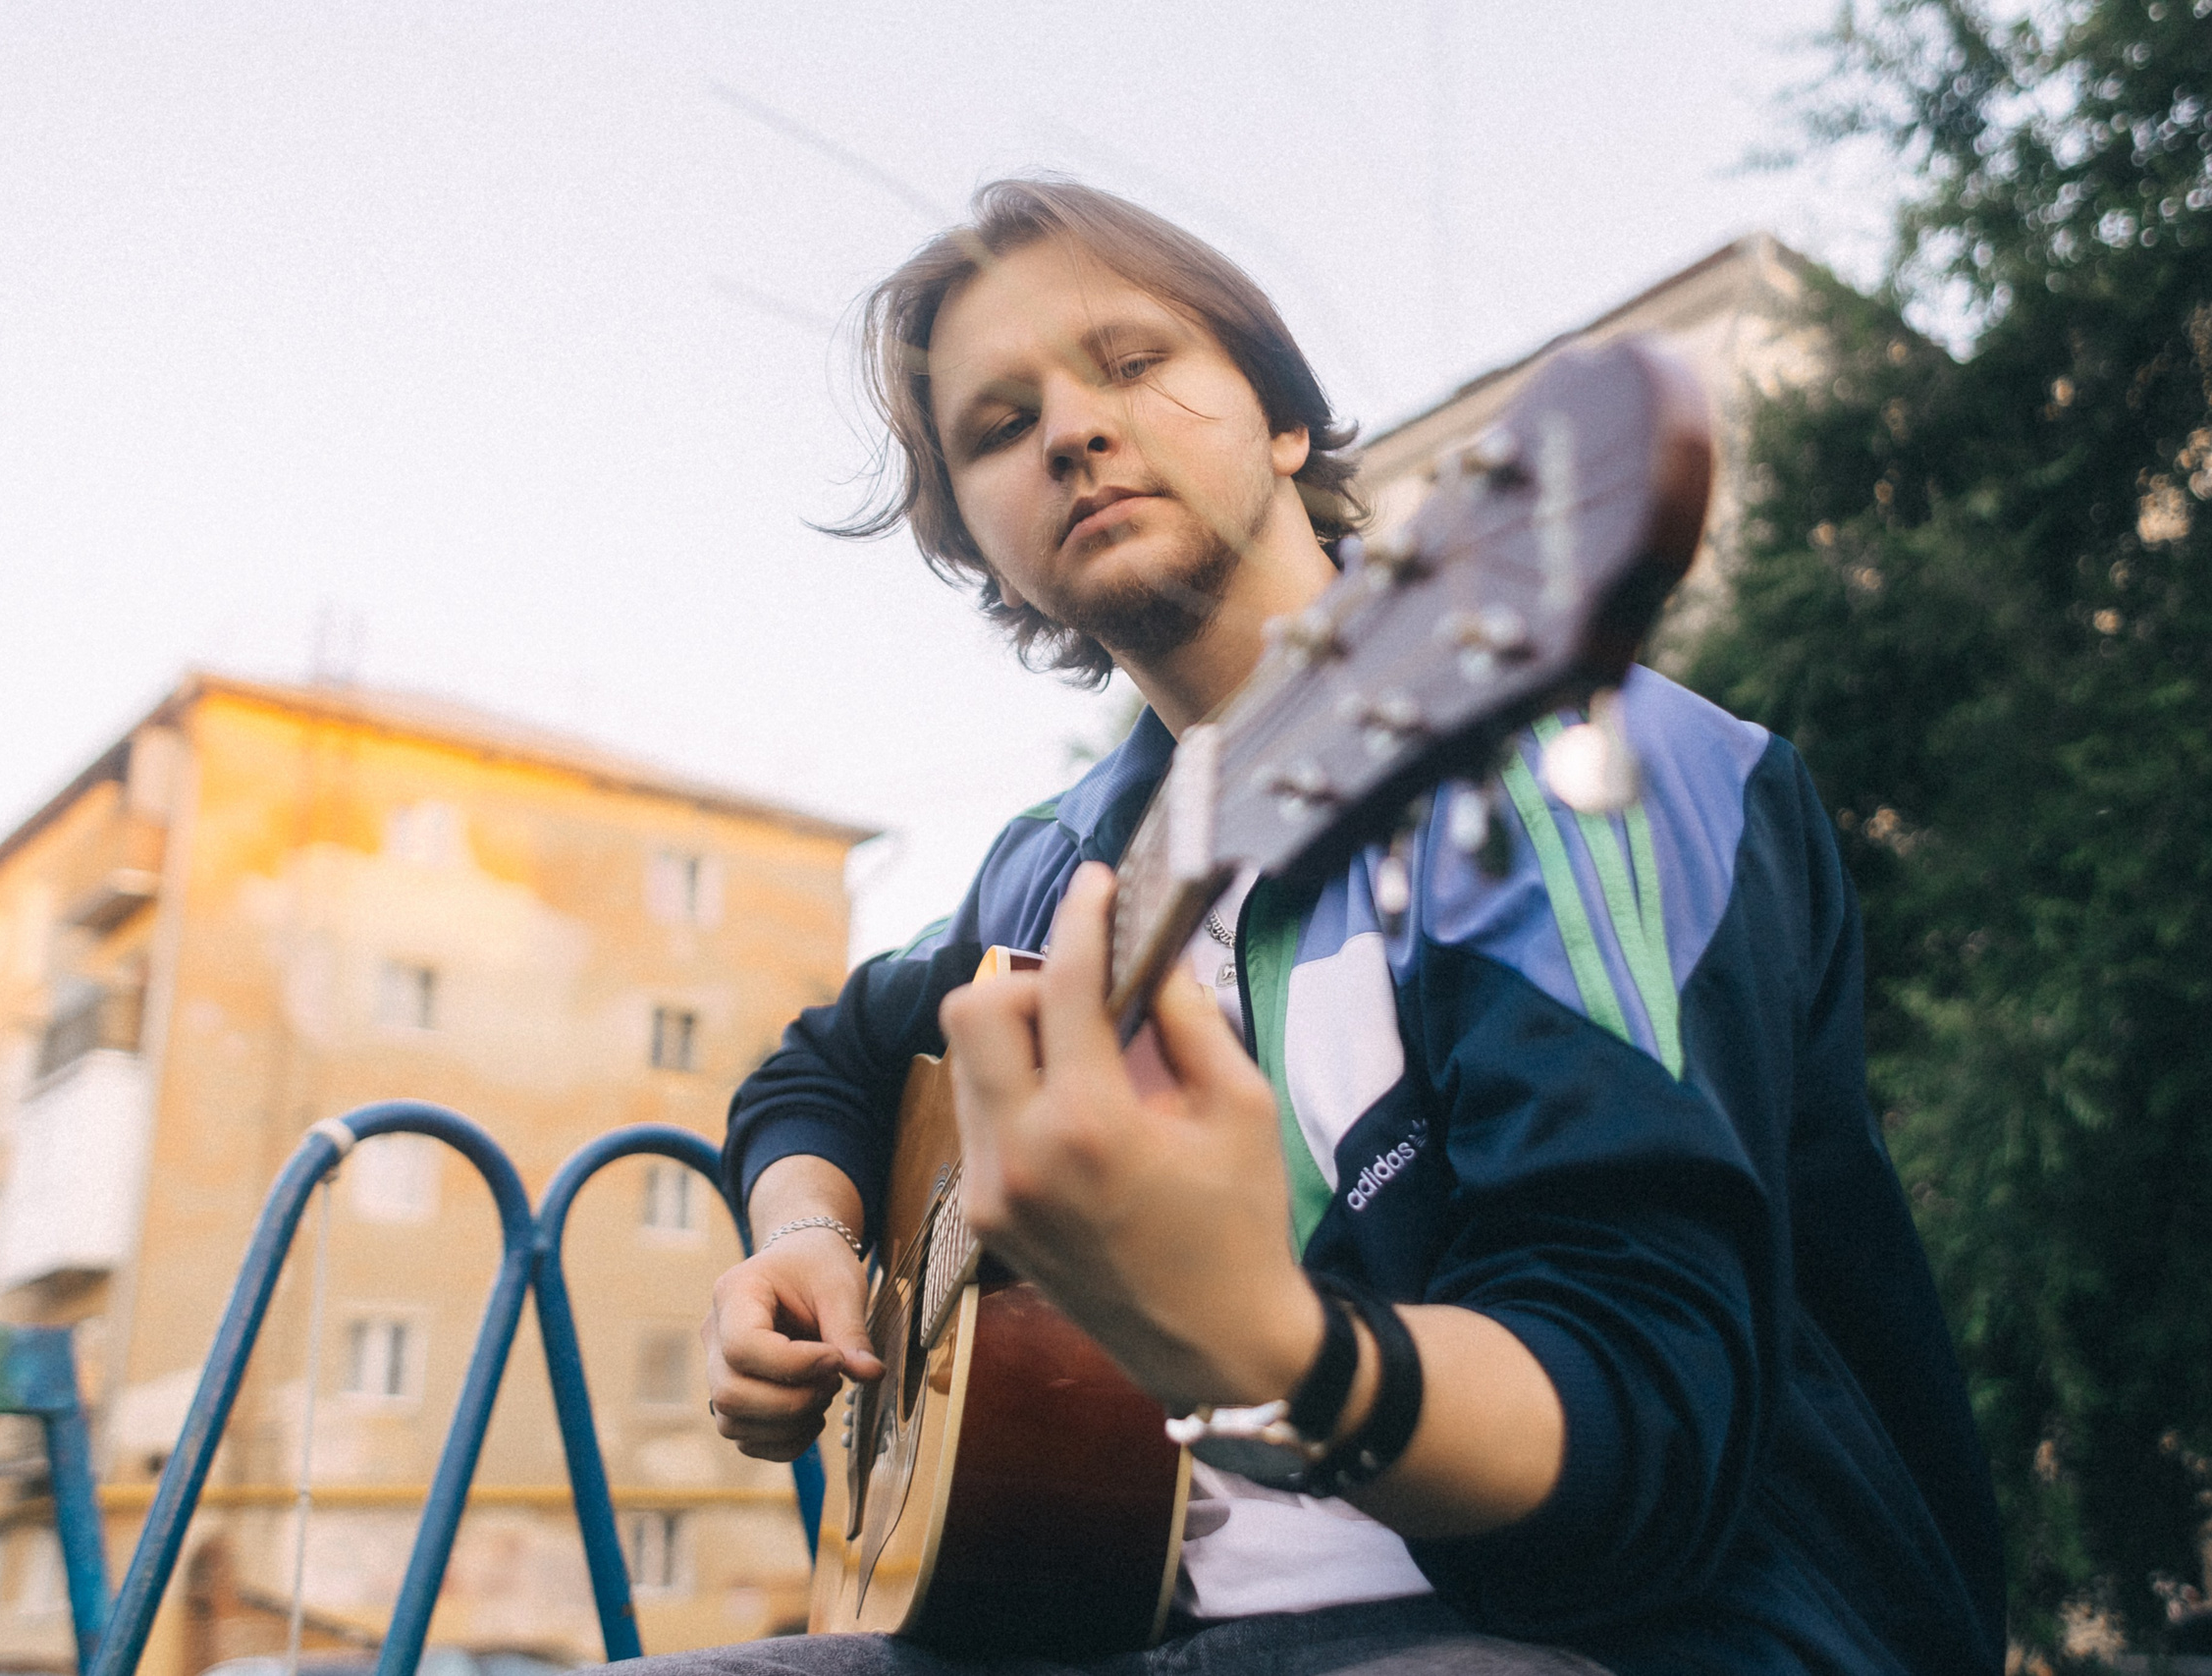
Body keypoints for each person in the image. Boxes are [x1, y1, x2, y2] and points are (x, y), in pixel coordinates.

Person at [662, 179, 2004, 1674]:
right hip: (1094, 1614)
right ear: (981, 543)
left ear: (1286, 421)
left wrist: (1268, 1346)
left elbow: (1644, 1431)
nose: (1071, 432)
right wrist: (798, 1240)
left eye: (1131, 362)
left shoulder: (1585, 785)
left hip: (1626, 1633)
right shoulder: (1049, 875)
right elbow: (824, 1067)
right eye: (996, 425)